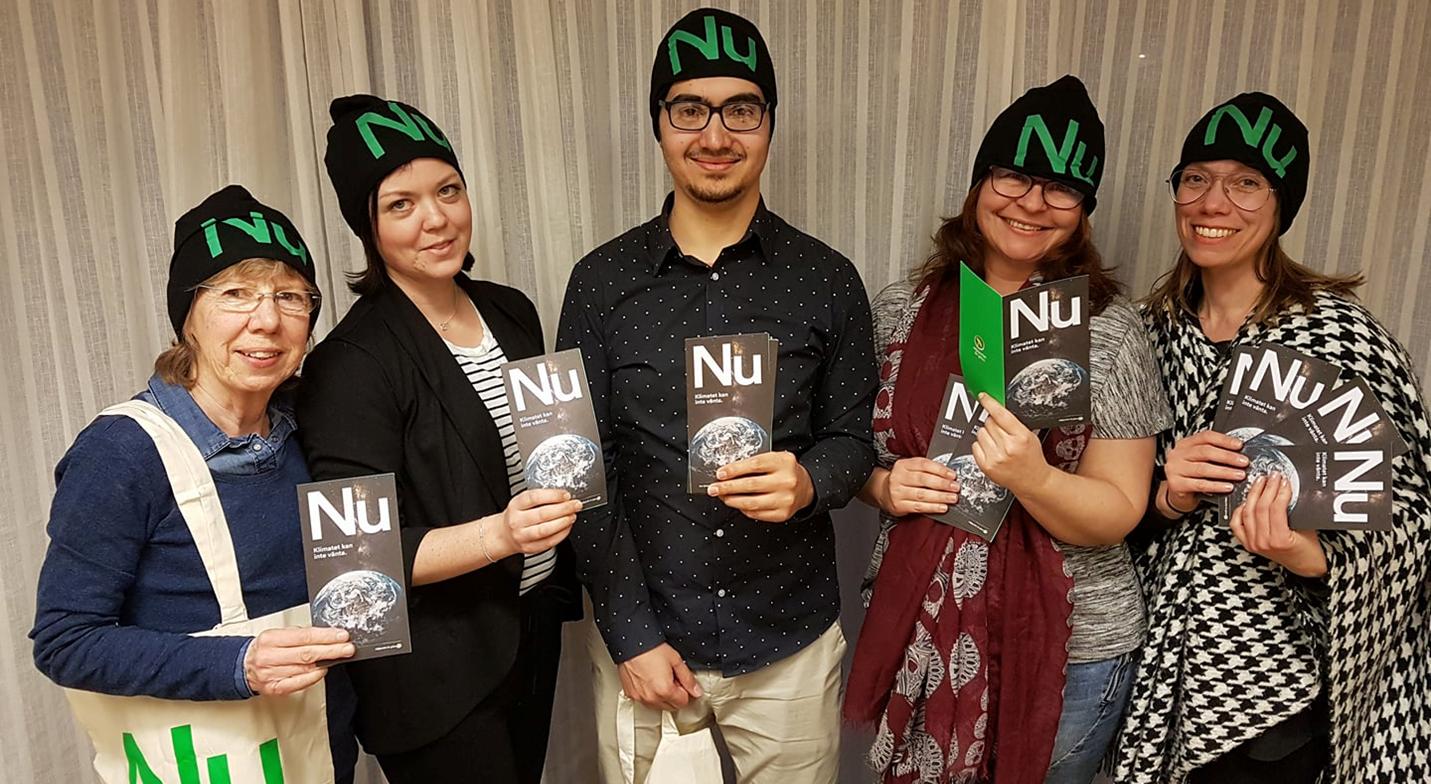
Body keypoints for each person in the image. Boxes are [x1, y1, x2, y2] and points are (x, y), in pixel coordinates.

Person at [555, 8, 877, 782]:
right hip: (646, 643)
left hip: (788, 639)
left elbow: (851, 438)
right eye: (689, 109)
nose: (715, 134)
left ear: (768, 124)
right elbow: (577, 468)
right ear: (659, 124)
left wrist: (809, 480)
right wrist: (629, 632)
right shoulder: (599, 283)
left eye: (741, 109)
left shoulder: (826, 279)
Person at [844, 76, 1172, 784]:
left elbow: (1119, 510)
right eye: (1013, 176)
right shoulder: (901, 309)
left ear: (1082, 211)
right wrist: (884, 485)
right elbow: (855, 456)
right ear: (979, 184)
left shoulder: (1110, 329)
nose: (1030, 202)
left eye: (1061, 188)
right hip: (918, 621)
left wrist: (1033, 477)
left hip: (1070, 649)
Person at [1116, 91, 1431, 783]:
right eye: (1195, 178)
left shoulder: (1340, 339)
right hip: (1150, 672)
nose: (1212, 203)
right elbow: (1098, 504)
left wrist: (1304, 552)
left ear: (1280, 203)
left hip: (1279, 689)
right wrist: (1167, 494)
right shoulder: (1142, 334)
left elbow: (1410, 522)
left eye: (1246, 183)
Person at [297, 95, 583, 784]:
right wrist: (501, 534)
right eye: (401, 204)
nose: (436, 218)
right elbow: (356, 563)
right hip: (435, 678)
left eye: (448, 190)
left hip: (529, 630)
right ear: (367, 226)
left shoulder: (510, 311)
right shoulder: (350, 364)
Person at [31, 185, 358, 783]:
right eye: (236, 294)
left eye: (290, 296)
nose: (268, 320)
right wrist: (237, 664)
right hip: (206, 757)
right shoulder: (123, 451)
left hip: (322, 749)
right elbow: (65, 641)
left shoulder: (310, 430)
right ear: (188, 320)